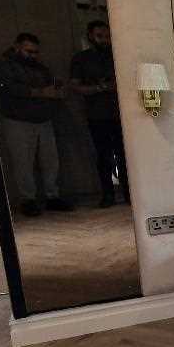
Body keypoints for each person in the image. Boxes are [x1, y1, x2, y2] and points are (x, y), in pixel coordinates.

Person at [0, 32, 73, 217]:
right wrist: (41, 92)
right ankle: (27, 200)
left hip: (43, 119)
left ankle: (52, 195)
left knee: (50, 161)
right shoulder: (3, 65)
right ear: (16, 47)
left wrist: (56, 89)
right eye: (29, 51)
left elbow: (50, 85)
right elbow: (9, 89)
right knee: (23, 162)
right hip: (18, 120)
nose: (33, 55)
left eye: (36, 52)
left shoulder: (39, 66)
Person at [70, 20, 129, 208]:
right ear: (90, 36)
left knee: (125, 156)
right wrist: (100, 87)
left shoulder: (119, 54)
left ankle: (129, 193)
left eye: (107, 36)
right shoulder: (81, 59)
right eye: (99, 36)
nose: (104, 40)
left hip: (122, 115)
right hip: (97, 115)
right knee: (103, 157)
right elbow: (75, 86)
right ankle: (108, 194)